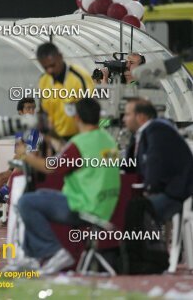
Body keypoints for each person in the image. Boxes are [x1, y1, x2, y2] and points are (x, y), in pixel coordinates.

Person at [15, 98, 120, 274]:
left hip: (83, 206)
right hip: (105, 205)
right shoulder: (108, 139)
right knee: (40, 195)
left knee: (27, 202)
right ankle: (31, 258)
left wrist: (25, 155)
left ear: (76, 117)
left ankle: (52, 251)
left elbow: (51, 168)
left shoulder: (81, 143)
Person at [123, 98, 193, 222]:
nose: (124, 119)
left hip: (175, 194)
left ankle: (147, 241)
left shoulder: (157, 129)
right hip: (164, 191)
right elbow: (131, 167)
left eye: (128, 114)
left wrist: (148, 190)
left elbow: (154, 162)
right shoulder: (140, 135)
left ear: (141, 117)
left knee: (136, 211)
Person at [37, 42, 95, 141]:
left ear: (60, 57)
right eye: (45, 68)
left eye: (52, 65)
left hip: (80, 137)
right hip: (56, 138)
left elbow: (90, 112)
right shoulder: (43, 80)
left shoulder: (79, 77)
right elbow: (43, 112)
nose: (49, 71)